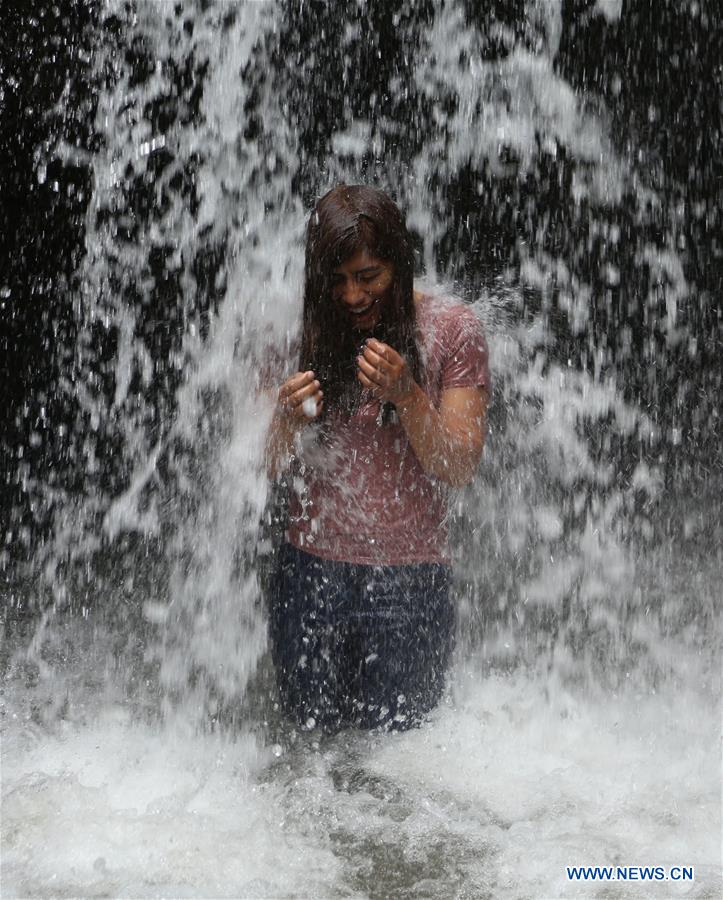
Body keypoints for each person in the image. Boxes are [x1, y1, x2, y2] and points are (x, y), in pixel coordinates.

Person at [265, 184, 490, 733]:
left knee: (401, 764)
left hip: (410, 581)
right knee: (307, 753)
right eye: (337, 280)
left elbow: (459, 466)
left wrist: (408, 395)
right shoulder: (293, 331)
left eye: (369, 277)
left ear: (400, 266)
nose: (352, 296)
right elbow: (260, 470)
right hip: (308, 574)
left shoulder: (453, 330)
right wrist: (286, 422)